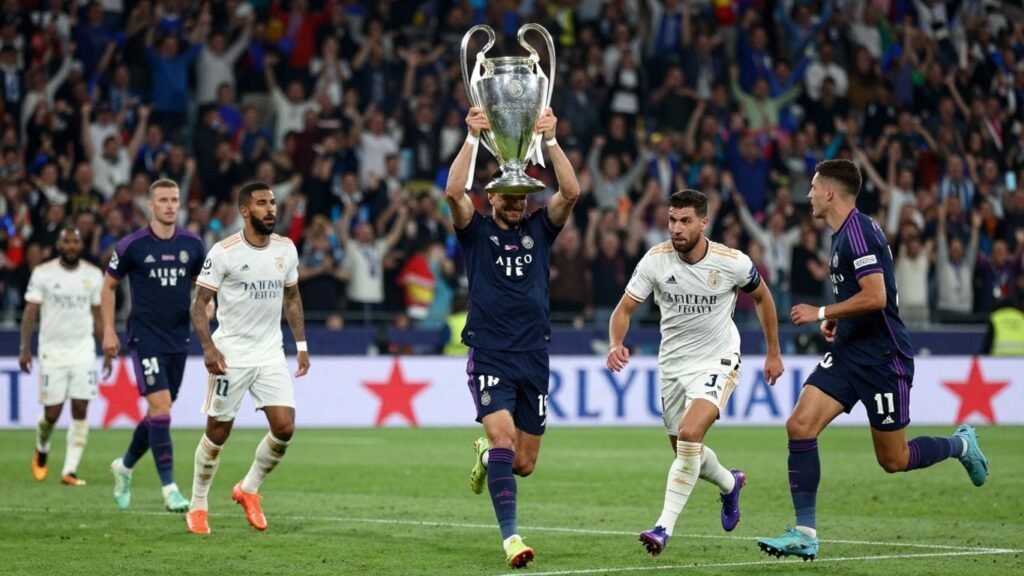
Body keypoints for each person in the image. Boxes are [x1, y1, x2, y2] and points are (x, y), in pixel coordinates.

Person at [757, 160, 990, 561]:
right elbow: (862, 298)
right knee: (799, 425)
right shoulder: (842, 234)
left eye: (813, 187)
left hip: (884, 358)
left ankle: (960, 445)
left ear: (831, 192)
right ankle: (805, 533)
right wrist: (838, 324)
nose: (808, 194)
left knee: (893, 460)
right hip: (849, 353)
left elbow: (877, 296)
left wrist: (824, 313)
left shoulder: (859, 232)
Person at [606, 189, 784, 557]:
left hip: (718, 359)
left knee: (689, 434)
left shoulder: (731, 262)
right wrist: (615, 343)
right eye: (672, 219)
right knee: (687, 452)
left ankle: (662, 527)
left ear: (704, 222)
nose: (676, 228)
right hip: (672, 366)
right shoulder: (655, 261)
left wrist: (773, 352)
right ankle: (729, 482)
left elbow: (764, 297)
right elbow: (623, 310)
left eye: (685, 220)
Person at [445, 106, 580, 568]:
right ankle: (511, 539)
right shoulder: (475, 233)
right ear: (492, 197)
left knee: (522, 463)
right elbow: (451, 191)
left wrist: (553, 140)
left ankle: (487, 457)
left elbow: (572, 191)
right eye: (508, 196)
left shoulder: (540, 232)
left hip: (534, 357)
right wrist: (470, 137)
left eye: (522, 196)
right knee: (505, 443)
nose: (517, 202)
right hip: (491, 355)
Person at [185, 181, 309, 535]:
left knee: (284, 427)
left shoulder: (286, 249)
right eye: (261, 204)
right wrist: (209, 347)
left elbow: (293, 297)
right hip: (232, 354)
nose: (270, 209)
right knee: (218, 432)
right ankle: (198, 504)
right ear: (244, 211)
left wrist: (300, 345)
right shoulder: (224, 252)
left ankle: (248, 489)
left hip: (270, 352)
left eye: (272, 202)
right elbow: (200, 302)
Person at [102, 178, 207, 512]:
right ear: (151, 205)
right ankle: (170, 490)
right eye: (163, 200)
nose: (170, 205)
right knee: (161, 407)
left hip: (178, 338)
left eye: (174, 199)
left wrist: (208, 305)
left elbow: (202, 288)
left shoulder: (193, 244)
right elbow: (108, 287)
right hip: (144, 337)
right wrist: (108, 330)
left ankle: (125, 466)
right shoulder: (133, 245)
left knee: (159, 412)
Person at [20, 226, 110, 486]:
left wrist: (105, 347)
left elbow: (97, 314)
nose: (71, 246)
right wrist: (24, 348)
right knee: (52, 413)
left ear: (81, 247)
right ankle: (42, 446)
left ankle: (69, 470)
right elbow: (30, 312)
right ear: (58, 245)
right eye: (66, 242)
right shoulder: (43, 273)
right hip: (52, 352)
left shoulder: (93, 275)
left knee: (81, 407)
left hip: (82, 350)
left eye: (75, 242)